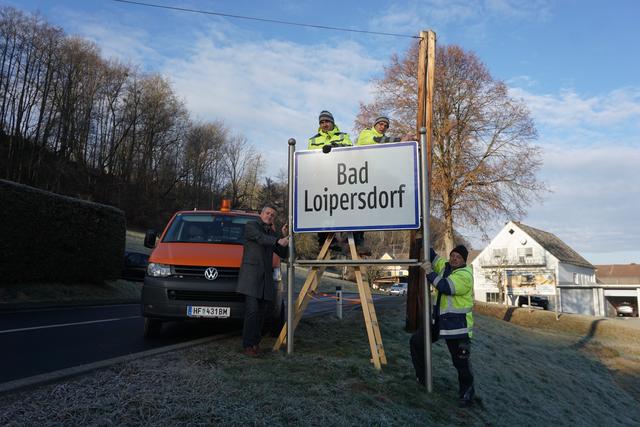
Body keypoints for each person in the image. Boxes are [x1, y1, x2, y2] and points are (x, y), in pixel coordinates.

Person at [410, 245, 475, 407]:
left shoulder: (465, 275)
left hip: (458, 327)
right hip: (439, 322)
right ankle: (423, 379)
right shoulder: (445, 267)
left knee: (460, 362)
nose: (454, 258)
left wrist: (430, 273)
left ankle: (467, 394)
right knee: (416, 342)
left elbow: (445, 287)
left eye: (458, 257)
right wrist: (422, 233)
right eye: (452, 255)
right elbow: (433, 256)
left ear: (463, 260)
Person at [237, 205, 289, 356]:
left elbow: (282, 253)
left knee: (261, 314)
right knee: (252, 311)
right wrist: (277, 240)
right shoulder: (251, 226)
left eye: (273, 215)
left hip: (266, 280)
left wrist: (282, 234)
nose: (270, 216)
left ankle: (255, 343)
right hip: (251, 278)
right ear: (261, 214)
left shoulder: (272, 233)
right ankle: (248, 345)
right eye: (267, 213)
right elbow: (261, 239)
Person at [308, 110, 352, 252]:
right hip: (322, 178)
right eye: (321, 122)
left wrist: (334, 147)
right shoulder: (313, 140)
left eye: (327, 121)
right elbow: (309, 159)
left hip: (342, 177)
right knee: (322, 208)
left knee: (343, 206)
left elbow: (351, 150)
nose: (324, 124)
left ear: (332, 122)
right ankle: (325, 241)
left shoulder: (343, 136)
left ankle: (344, 240)